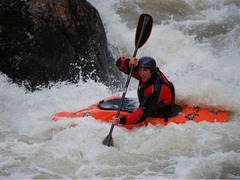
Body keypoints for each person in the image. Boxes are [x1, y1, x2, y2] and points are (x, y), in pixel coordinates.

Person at [111, 56, 175, 125]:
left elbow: (142, 114)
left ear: (151, 71)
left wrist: (122, 120)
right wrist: (128, 62)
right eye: (140, 70)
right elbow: (119, 65)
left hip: (160, 110)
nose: (142, 74)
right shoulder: (147, 74)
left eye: (144, 70)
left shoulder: (155, 89)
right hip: (152, 103)